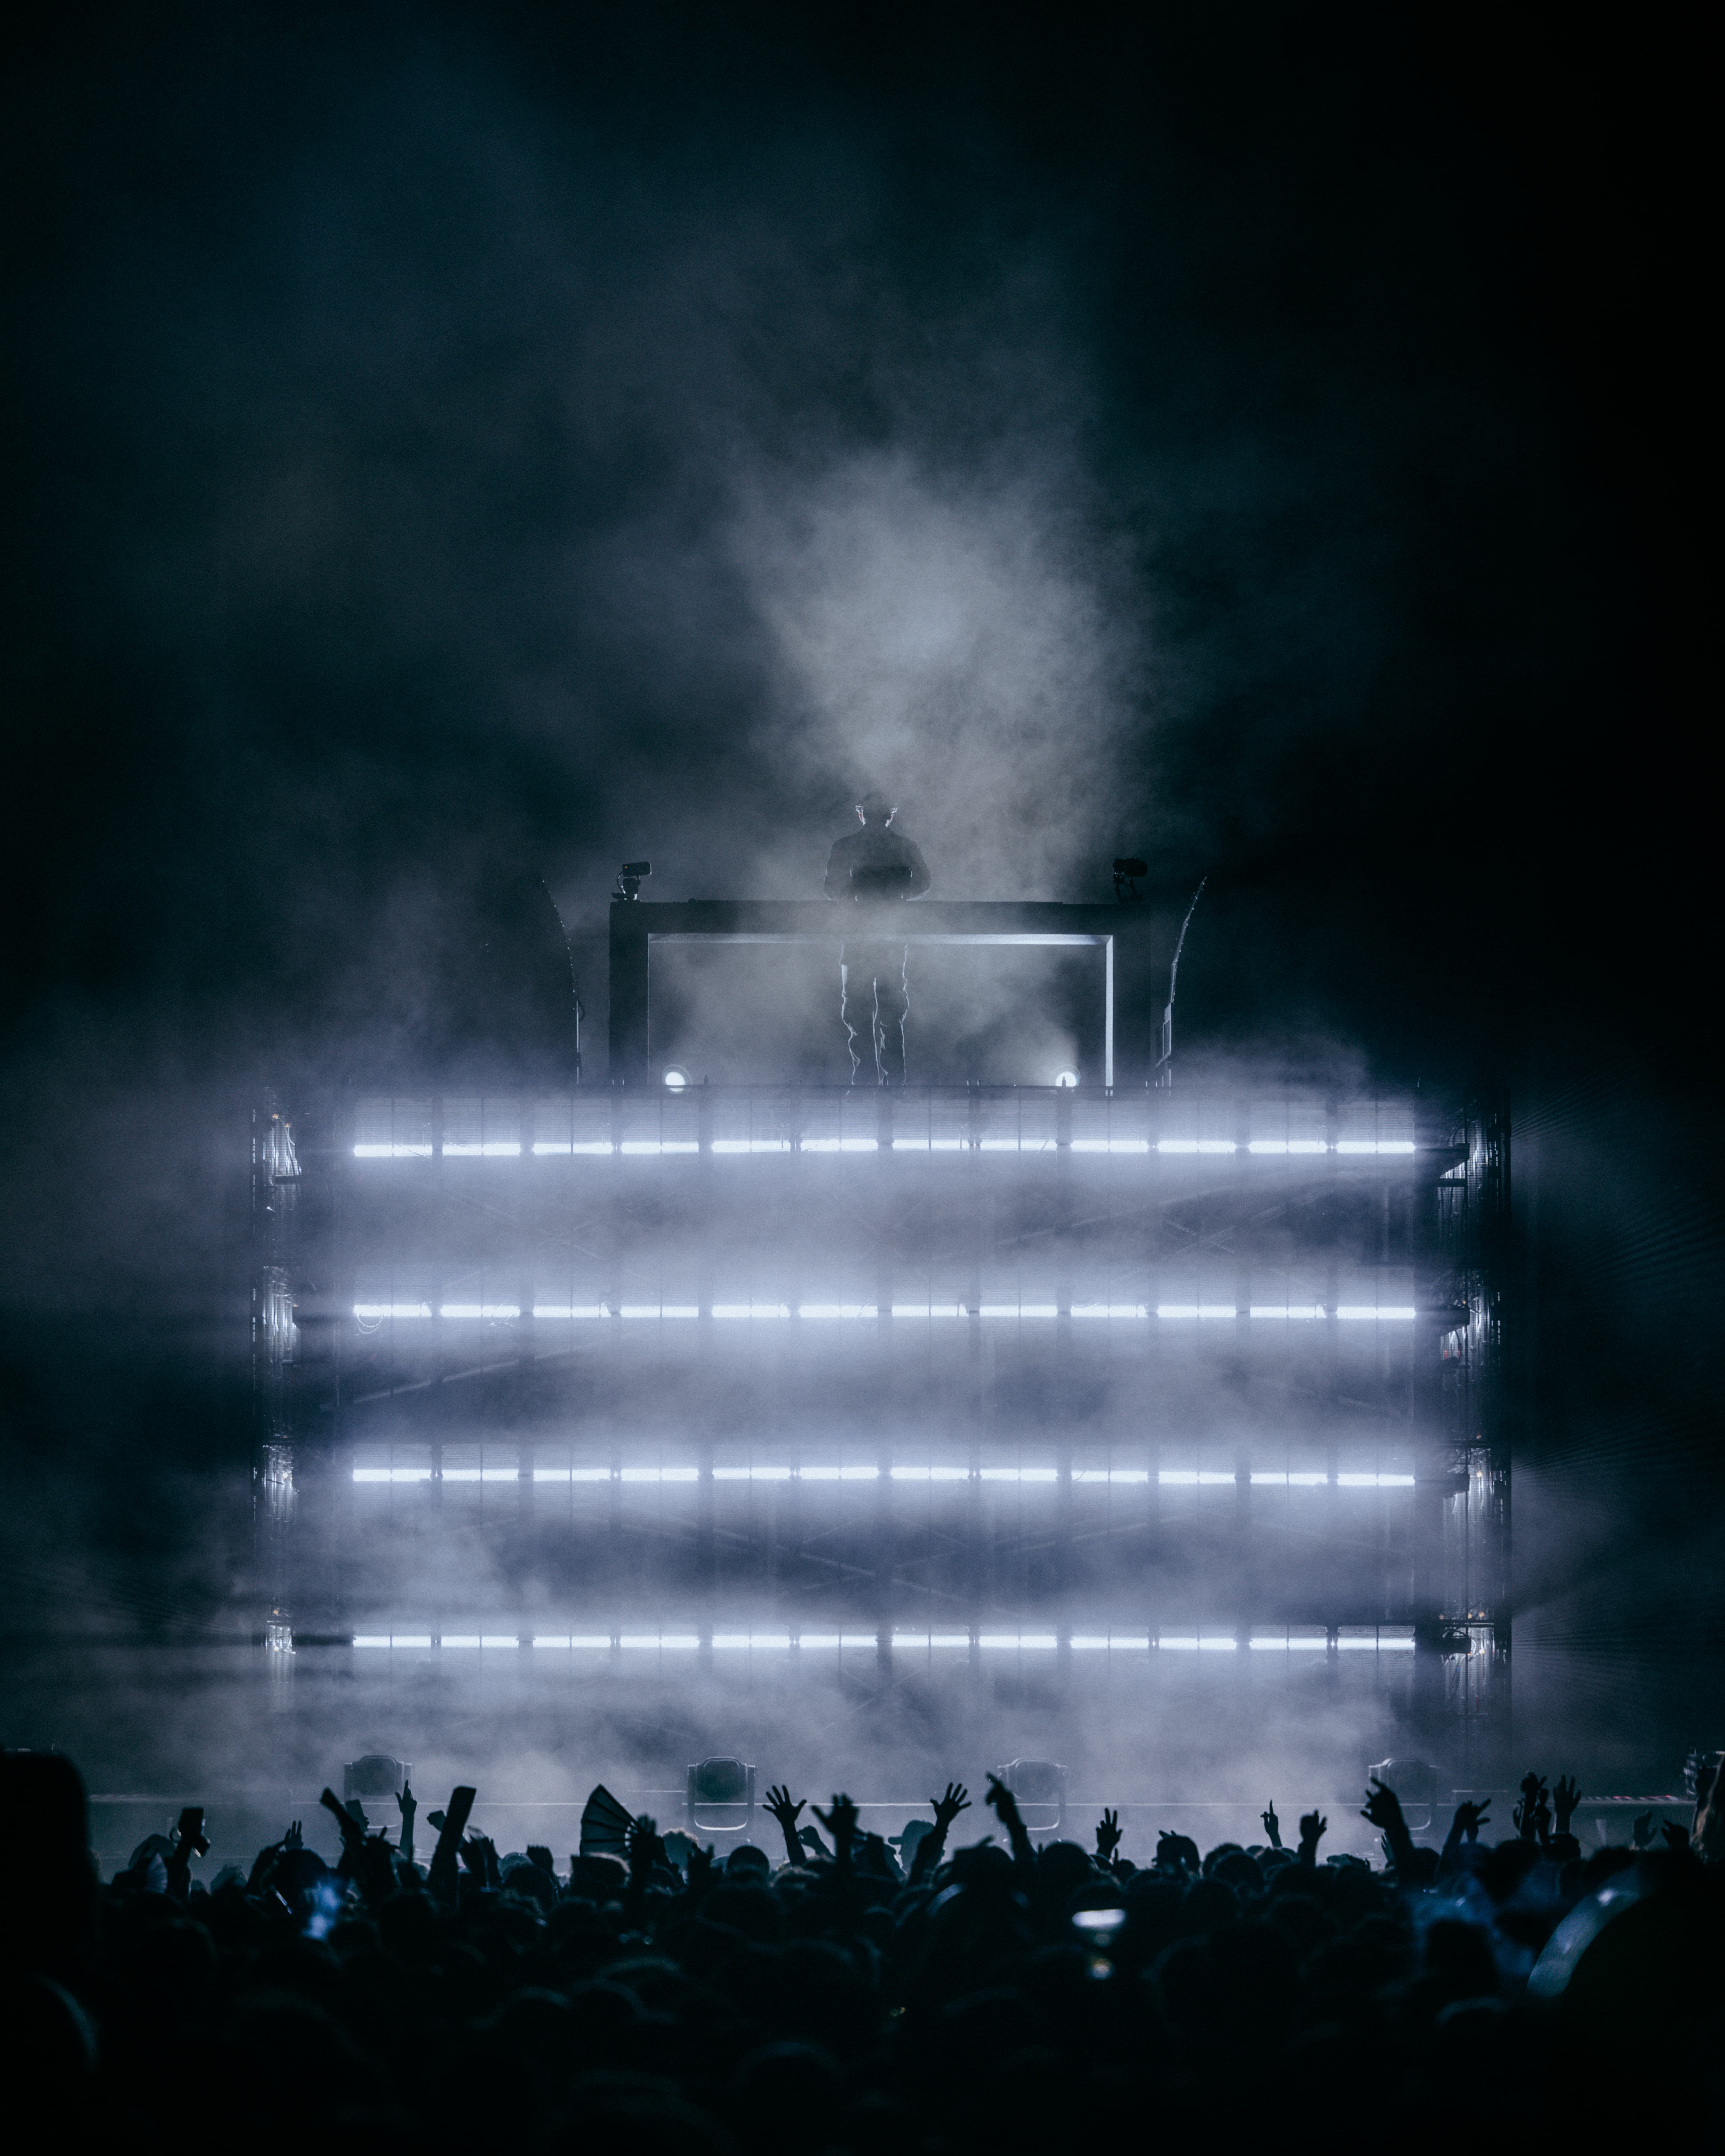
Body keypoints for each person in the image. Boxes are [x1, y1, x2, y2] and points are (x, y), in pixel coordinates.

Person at [822, 790, 931, 1084]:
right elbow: (924, 882)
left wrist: (857, 901)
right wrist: (895, 900)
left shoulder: (846, 846)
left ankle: (864, 1084)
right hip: (889, 939)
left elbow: (831, 887)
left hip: (858, 936)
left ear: (861, 814)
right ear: (890, 815)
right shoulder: (904, 847)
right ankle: (894, 1086)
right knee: (891, 1014)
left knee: (858, 1013)